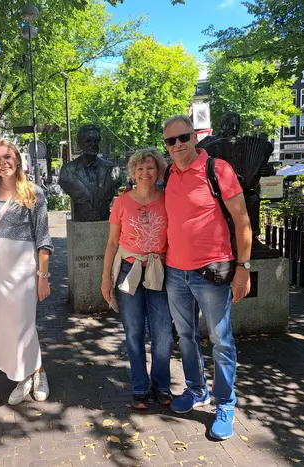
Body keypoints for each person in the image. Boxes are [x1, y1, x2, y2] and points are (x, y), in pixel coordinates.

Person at [162, 115, 252, 440]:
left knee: (221, 340)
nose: (177, 145)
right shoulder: (168, 174)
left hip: (212, 271)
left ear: (195, 137)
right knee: (185, 337)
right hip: (175, 272)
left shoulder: (218, 169)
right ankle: (196, 389)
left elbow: (242, 220)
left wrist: (244, 268)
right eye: (170, 141)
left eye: (183, 137)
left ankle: (225, 404)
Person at [101, 148, 173, 409]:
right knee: (134, 332)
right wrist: (106, 277)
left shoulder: (168, 199)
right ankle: (140, 388)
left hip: (159, 271)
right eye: (140, 168)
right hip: (128, 270)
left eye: (150, 167)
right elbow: (112, 242)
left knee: (163, 333)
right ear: (132, 172)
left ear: (159, 171)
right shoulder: (122, 203)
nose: (145, 173)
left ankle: (161, 385)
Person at [0, 139, 53, 405]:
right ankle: (29, 373)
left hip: (24, 268)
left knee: (24, 325)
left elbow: (43, 238)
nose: (3, 163)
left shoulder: (34, 192)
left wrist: (43, 277)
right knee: (6, 325)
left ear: (17, 159)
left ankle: (33, 374)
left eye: (7, 157)